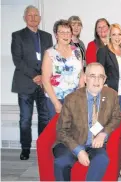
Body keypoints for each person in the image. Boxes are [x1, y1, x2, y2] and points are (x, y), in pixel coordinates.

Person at [53, 62, 121, 181]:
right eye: (92, 76)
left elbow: (116, 117)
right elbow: (62, 130)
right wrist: (79, 151)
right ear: (85, 78)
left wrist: (103, 134)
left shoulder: (111, 95)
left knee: (102, 159)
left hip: (95, 144)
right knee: (61, 163)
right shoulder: (72, 99)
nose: (97, 80)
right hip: (72, 142)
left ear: (105, 79)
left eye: (101, 76)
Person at [11, 5, 53, 160]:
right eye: (30, 15)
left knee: (44, 117)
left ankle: (42, 148)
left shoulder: (47, 37)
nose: (33, 18)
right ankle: (26, 149)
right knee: (25, 119)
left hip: (43, 84)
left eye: (36, 15)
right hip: (25, 83)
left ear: (40, 18)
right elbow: (18, 60)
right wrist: (35, 76)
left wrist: (43, 76)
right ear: (25, 18)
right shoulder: (17, 36)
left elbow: (50, 59)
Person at [42, 19, 85, 119]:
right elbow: (45, 80)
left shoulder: (77, 51)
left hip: (74, 98)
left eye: (68, 32)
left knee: (73, 130)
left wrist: (81, 96)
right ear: (56, 35)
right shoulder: (50, 53)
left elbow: (81, 74)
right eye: (62, 32)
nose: (65, 35)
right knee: (57, 131)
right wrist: (56, 103)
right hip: (56, 99)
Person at [97, 23, 121, 111]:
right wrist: (105, 87)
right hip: (109, 92)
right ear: (110, 36)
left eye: (119, 34)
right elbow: (99, 72)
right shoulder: (103, 51)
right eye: (114, 34)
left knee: (119, 120)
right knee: (109, 121)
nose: (117, 37)